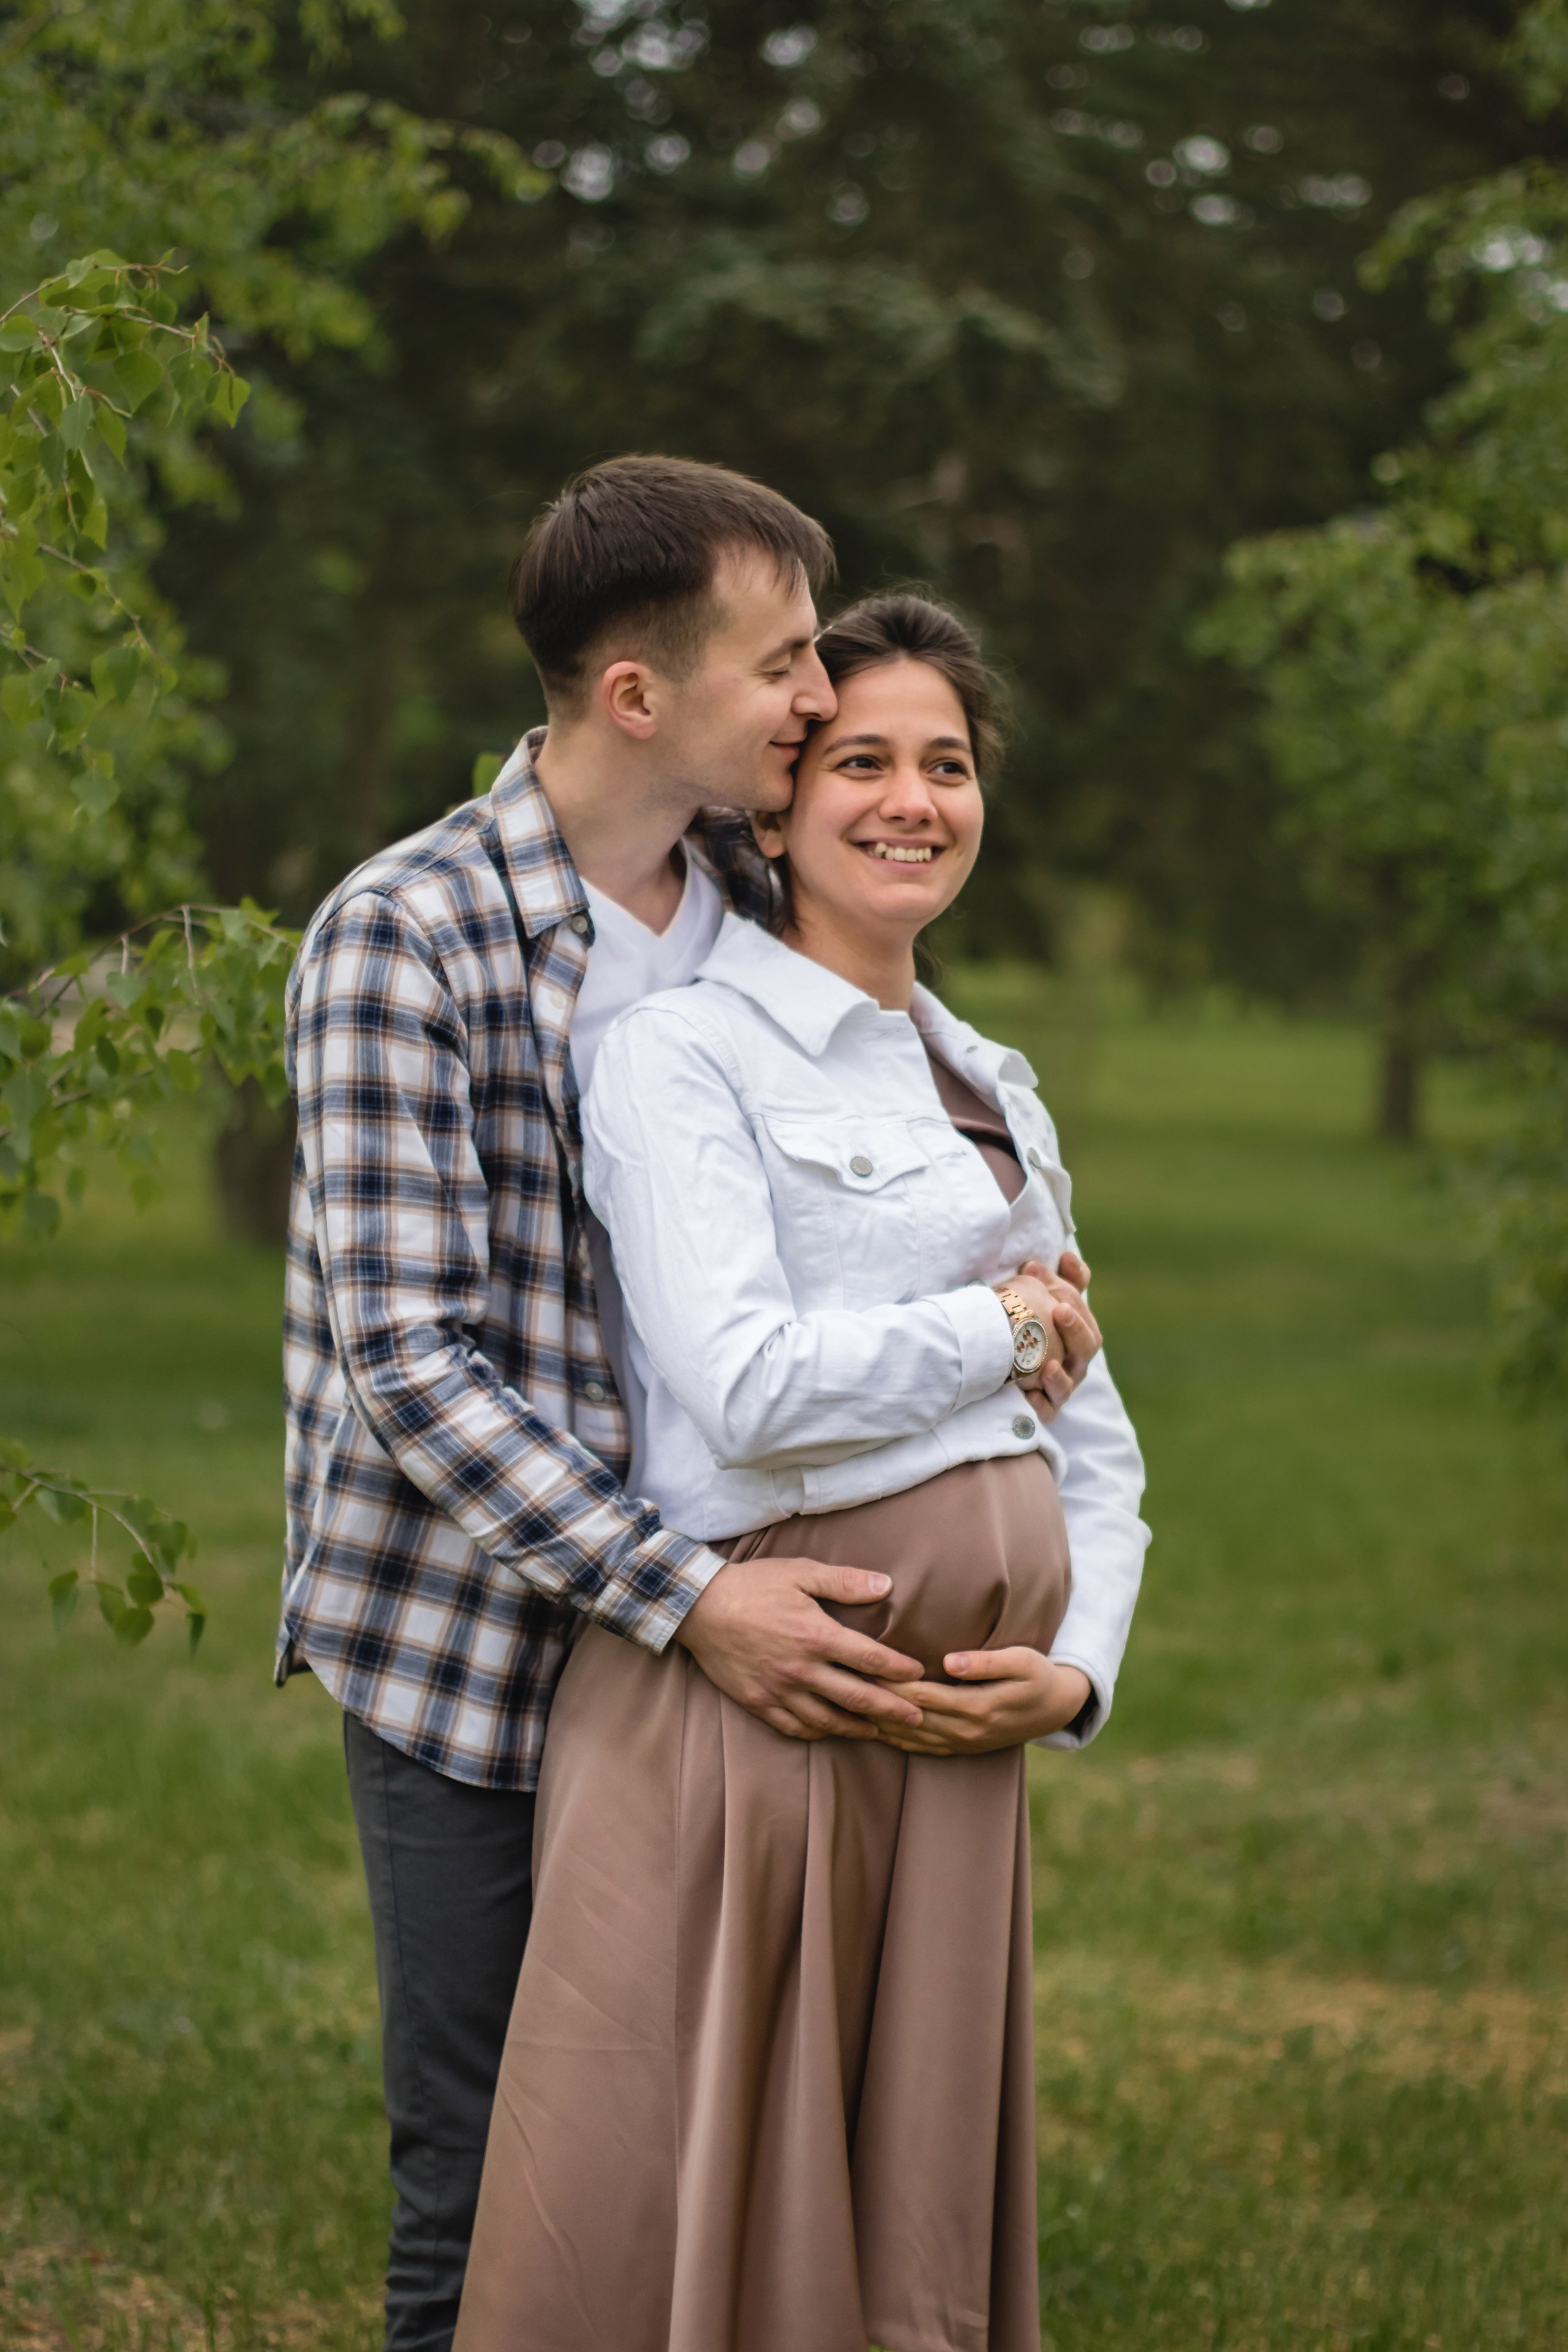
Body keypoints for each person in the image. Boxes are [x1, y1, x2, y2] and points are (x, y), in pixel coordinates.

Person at [278, 462, 1102, 2352]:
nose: (823, 701)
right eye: (788, 659)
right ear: (639, 696)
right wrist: (689, 1591)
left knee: (716, 2153)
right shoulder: (406, 935)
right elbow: (406, 1361)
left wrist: (1031, 1326)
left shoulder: (753, 889)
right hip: (484, 1638)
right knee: (497, 2172)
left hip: (744, 1635)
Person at [453, 595, 1150, 2352]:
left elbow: (1101, 1442)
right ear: (772, 807)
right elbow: (747, 1392)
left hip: (951, 1740)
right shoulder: (679, 1052)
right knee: (690, 2207)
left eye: (950, 763)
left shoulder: (989, 1083)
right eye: (863, 761)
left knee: (907, 2214)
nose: (915, 799)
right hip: (761, 1708)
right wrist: (996, 1331)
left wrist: (1074, 1678)